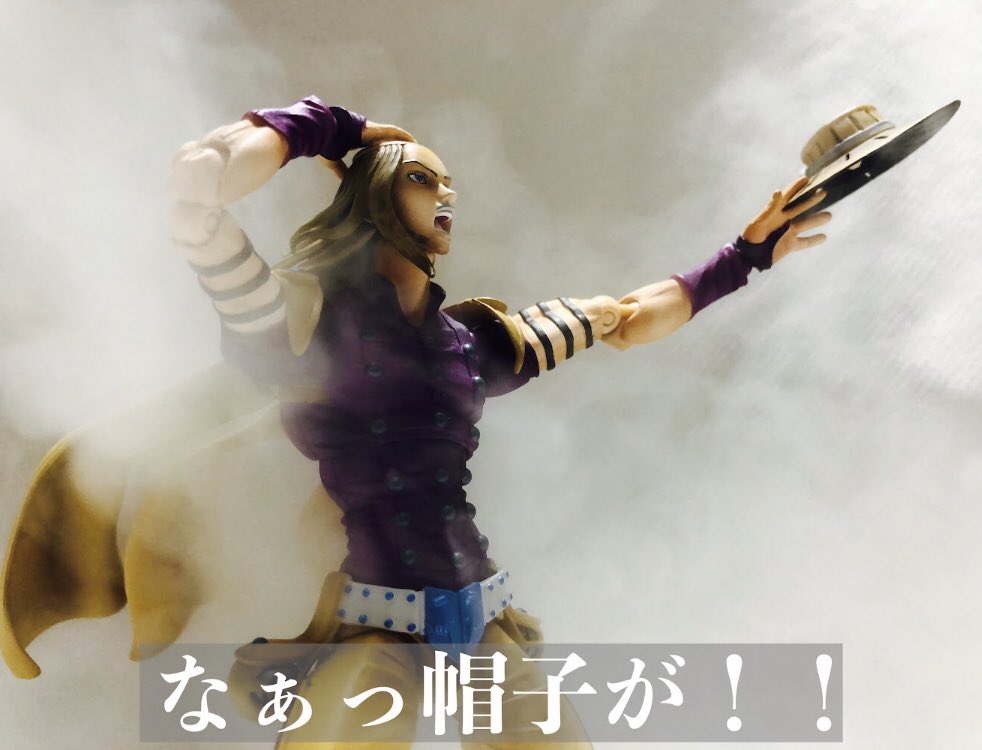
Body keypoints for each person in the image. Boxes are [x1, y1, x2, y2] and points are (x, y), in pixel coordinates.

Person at [167, 95, 830, 748]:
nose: (445, 194)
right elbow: (198, 195)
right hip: (379, 630)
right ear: (373, 196)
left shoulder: (470, 345)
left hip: (485, 621)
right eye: (421, 179)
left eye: (448, 182)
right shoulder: (304, 327)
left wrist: (745, 257)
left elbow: (623, 317)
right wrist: (323, 125)